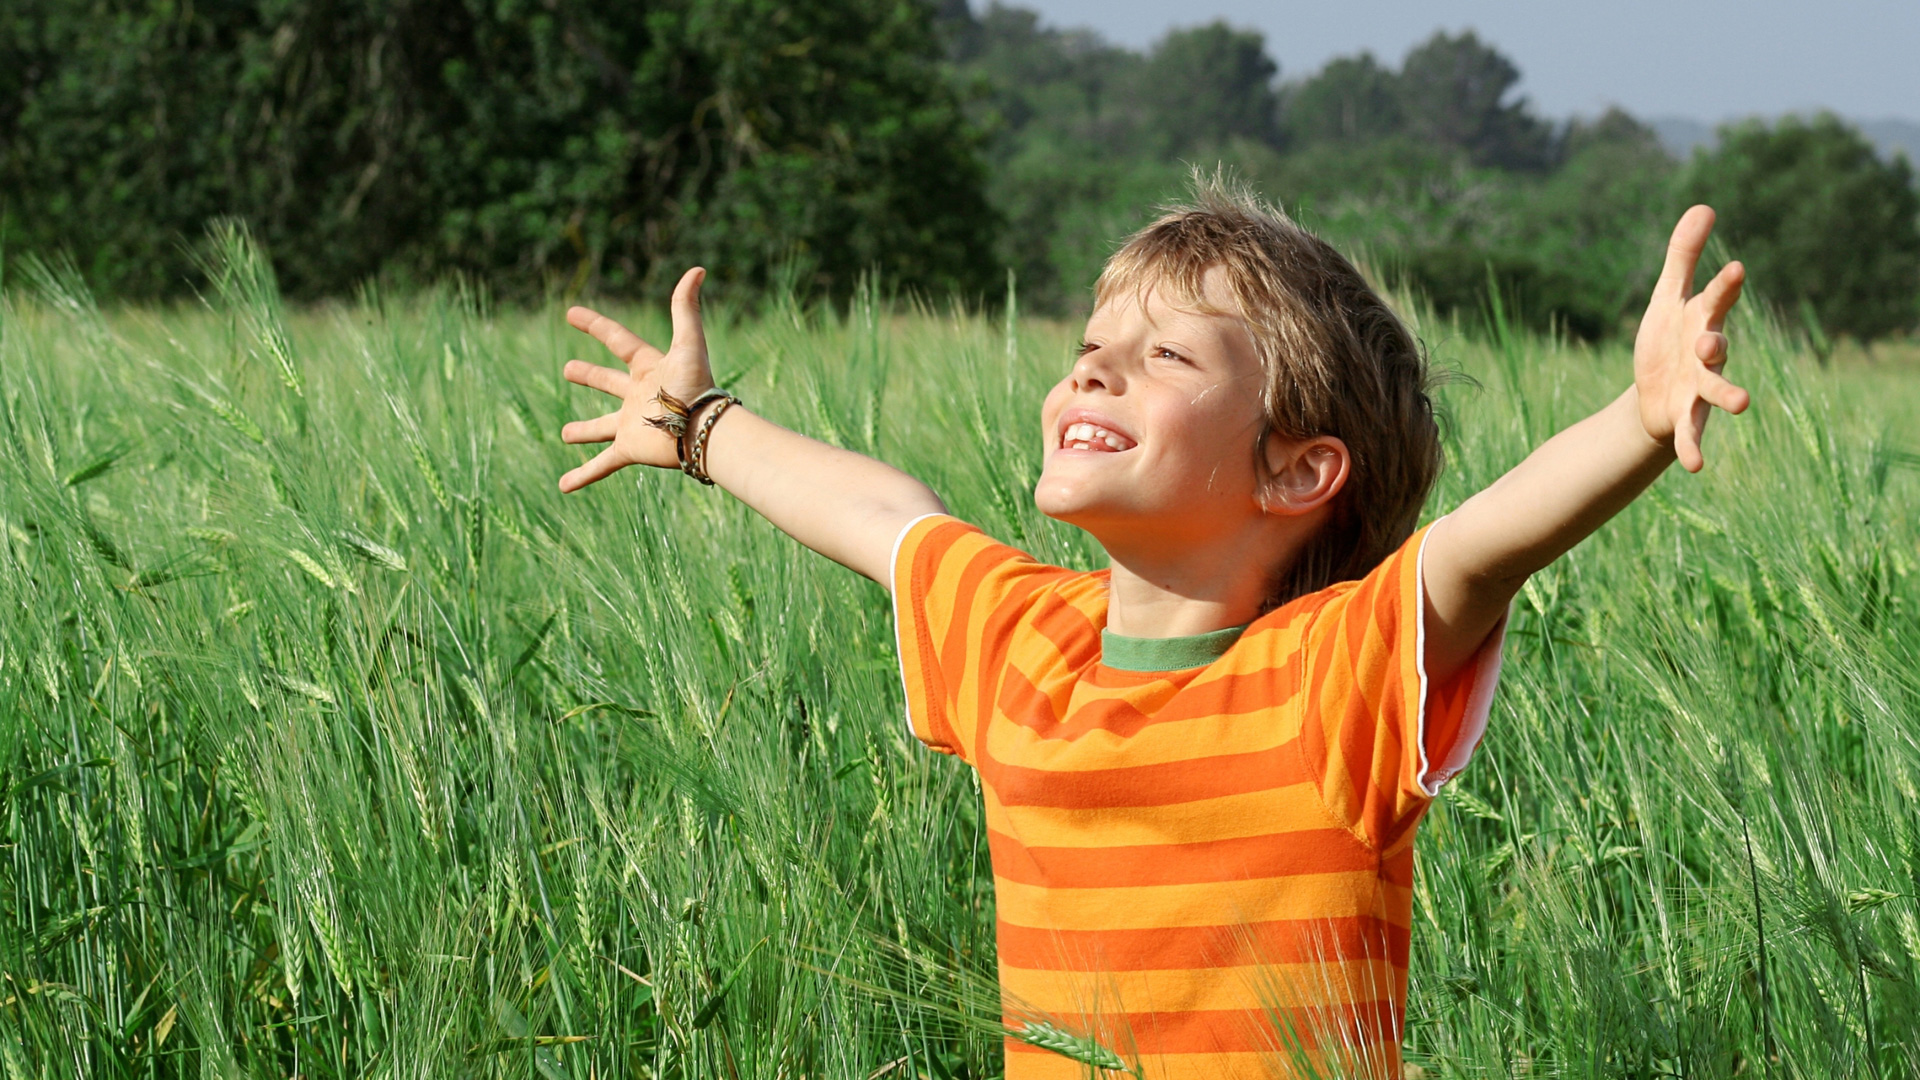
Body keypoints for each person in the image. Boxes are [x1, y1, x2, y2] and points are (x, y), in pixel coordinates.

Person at [554, 177, 1747, 1079]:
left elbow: (1480, 549)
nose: (1091, 375)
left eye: (1163, 356)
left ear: (1297, 471)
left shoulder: (1331, 677)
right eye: (1088, 352)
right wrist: (699, 426)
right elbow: (884, 516)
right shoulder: (1024, 639)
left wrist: (1638, 423)